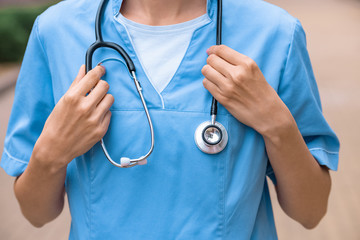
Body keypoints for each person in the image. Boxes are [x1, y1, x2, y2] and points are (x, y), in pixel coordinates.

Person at [1, 0, 340, 239]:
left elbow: (310, 213)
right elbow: (37, 214)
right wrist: (51, 153)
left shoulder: (274, 33)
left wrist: (276, 124)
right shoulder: (56, 31)